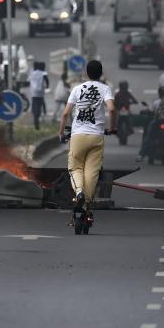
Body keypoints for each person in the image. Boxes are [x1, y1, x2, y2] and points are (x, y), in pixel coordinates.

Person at [59, 60, 115, 217]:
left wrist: (61, 132)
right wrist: (112, 128)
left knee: (75, 168)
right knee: (92, 171)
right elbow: (111, 108)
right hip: (96, 136)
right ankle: (87, 203)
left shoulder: (77, 89)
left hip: (78, 136)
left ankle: (79, 194)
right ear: (101, 73)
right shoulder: (105, 89)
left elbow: (65, 114)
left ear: (86, 73)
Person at [114, 80, 138, 145]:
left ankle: (129, 129)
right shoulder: (125, 93)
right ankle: (129, 129)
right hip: (121, 111)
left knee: (128, 119)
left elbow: (135, 101)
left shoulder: (119, 94)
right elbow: (135, 101)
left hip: (123, 111)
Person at [27, 61, 49, 130]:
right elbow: (47, 80)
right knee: (41, 103)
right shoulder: (43, 73)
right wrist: (47, 85)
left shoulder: (32, 73)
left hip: (34, 93)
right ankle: (44, 111)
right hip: (40, 93)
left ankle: (35, 115)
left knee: (35, 106)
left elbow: (28, 80)